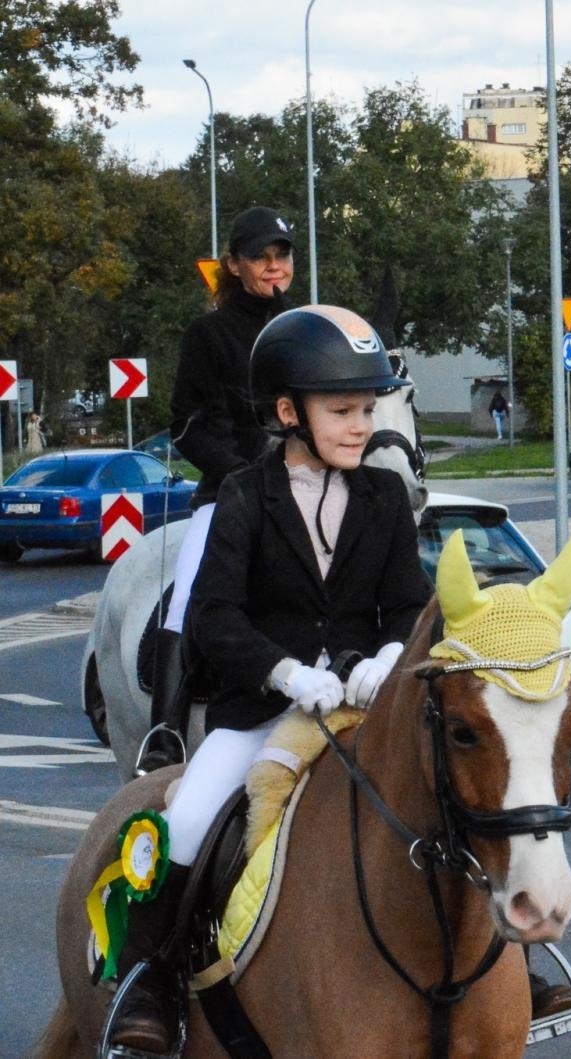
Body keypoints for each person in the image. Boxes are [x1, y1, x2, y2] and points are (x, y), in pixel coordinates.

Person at [104, 304, 430, 1054]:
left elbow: (409, 600)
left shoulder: (384, 498)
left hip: (361, 710)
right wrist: (285, 673)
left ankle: (510, 963)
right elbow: (215, 616)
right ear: (289, 413)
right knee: (187, 822)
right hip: (260, 713)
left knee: (458, 799)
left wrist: (388, 655)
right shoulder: (246, 496)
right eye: (342, 411)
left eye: (367, 409)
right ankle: (148, 984)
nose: (361, 426)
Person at [138, 206, 295, 774]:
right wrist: (238, 476)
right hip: (229, 490)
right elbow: (186, 425)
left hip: (304, 485)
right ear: (234, 264)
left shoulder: (302, 327)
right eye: (261, 257)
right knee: (187, 597)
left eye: (282, 257)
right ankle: (165, 730)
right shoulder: (208, 334)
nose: (274, 267)